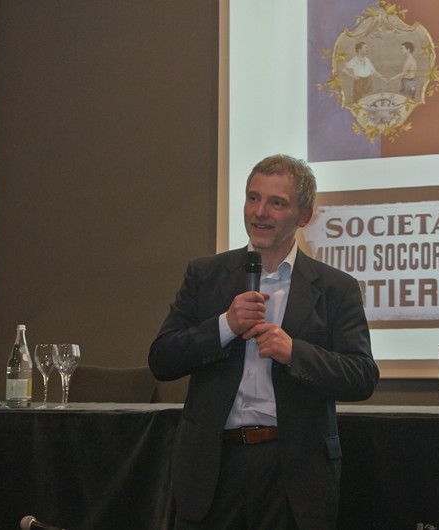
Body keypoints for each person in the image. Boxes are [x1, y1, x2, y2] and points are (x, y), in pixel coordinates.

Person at [149, 154, 379, 529]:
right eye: (253, 198)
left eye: (276, 203)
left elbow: (362, 376)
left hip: (291, 474)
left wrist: (294, 353)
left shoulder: (336, 288)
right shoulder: (205, 275)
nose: (260, 212)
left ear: (304, 216)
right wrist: (224, 326)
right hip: (212, 470)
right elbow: (162, 359)